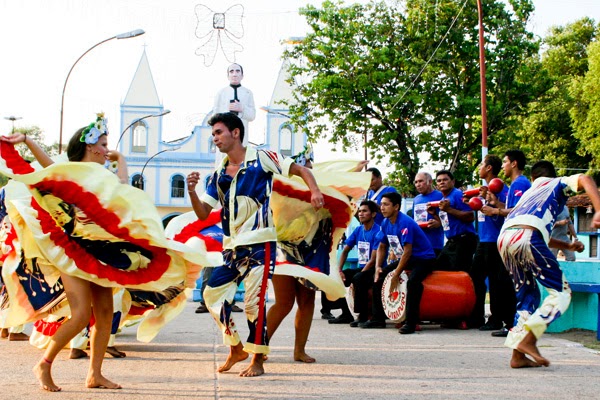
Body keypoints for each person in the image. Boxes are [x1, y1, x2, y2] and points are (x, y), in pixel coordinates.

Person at [186, 112, 323, 377]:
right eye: (213, 133)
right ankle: (236, 348)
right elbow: (204, 213)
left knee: (253, 303)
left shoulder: (262, 157)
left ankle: (257, 360)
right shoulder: (217, 175)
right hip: (232, 248)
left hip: (261, 245)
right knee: (210, 295)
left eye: (218, 132)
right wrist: (191, 191)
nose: (214, 138)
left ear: (235, 132)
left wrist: (315, 191)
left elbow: (301, 169)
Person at [2, 114, 127, 391]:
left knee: (105, 313)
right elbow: (46, 166)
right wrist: (28, 140)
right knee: (81, 314)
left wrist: (122, 162)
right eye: (104, 144)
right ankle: (44, 364)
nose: (107, 149)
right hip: (73, 253)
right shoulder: (70, 171)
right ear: (91, 146)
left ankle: (95, 374)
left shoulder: (105, 175)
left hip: (102, 251)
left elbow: (125, 193)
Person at [497, 160, 600, 368]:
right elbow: (586, 178)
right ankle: (529, 338)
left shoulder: (526, 196)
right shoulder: (556, 183)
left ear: (532, 178)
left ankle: (517, 356)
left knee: (526, 295)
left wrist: (567, 246)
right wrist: (598, 210)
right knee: (561, 293)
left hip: (505, 238)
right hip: (527, 236)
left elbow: (532, 231)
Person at [361, 192, 436, 333]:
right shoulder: (385, 222)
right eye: (381, 204)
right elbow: (382, 246)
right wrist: (378, 267)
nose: (382, 208)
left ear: (396, 207)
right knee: (379, 277)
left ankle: (411, 323)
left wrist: (396, 273)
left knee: (413, 282)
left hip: (424, 259)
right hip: (407, 258)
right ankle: (378, 319)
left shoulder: (405, 223)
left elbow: (408, 251)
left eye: (386, 204)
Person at [486, 149, 531, 337]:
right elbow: (510, 209)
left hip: (517, 237)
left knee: (511, 283)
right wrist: (496, 204)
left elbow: (519, 211)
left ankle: (515, 324)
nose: (502, 166)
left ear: (513, 164)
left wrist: (496, 212)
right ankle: (511, 323)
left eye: (505, 162)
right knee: (506, 281)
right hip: (513, 237)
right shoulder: (514, 184)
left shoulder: (520, 182)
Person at [468, 155, 516, 334]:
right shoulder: (482, 190)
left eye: (481, 164)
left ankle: (497, 318)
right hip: (483, 240)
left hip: (496, 240)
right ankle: (476, 316)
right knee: (475, 277)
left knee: (496, 282)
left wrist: (495, 206)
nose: (479, 167)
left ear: (488, 168)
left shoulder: (501, 188)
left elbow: (508, 210)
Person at [331, 200, 380, 327]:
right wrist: (340, 270)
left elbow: (373, 260)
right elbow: (345, 250)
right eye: (360, 211)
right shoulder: (358, 230)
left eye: (365, 211)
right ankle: (346, 314)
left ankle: (362, 316)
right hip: (362, 268)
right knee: (338, 278)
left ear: (373, 214)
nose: (361, 214)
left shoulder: (378, 231)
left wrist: (360, 274)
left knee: (358, 278)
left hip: (374, 269)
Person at [435, 170, 478, 272]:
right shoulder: (443, 198)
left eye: (445, 179)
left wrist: (448, 209)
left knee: (460, 273)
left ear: (453, 182)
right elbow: (447, 222)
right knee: (439, 268)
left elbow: (470, 216)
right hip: (451, 241)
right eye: (439, 181)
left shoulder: (458, 195)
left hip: (464, 240)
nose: (442, 182)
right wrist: (433, 214)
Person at [212, 63, 256, 147]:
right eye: (231, 71)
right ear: (228, 76)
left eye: (237, 71)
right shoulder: (221, 93)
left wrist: (242, 109)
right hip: (224, 134)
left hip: (241, 134)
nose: (234, 74)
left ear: (242, 75)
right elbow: (215, 116)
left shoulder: (248, 93)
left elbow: (252, 116)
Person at [412, 172, 444, 255]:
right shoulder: (416, 199)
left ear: (430, 182)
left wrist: (439, 223)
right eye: (416, 182)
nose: (418, 184)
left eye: (420, 181)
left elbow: (449, 220)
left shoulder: (440, 196)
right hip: (419, 244)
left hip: (435, 244)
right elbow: (413, 221)